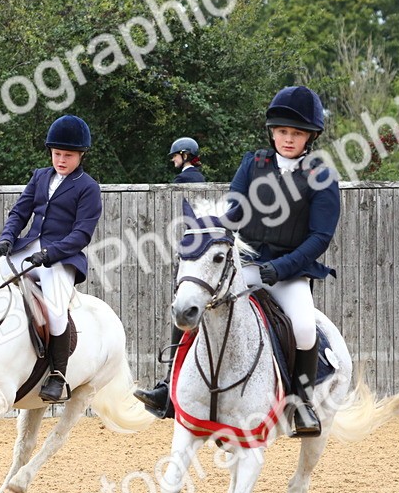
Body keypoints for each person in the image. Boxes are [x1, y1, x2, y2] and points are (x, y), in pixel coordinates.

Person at [138, 85, 340, 437]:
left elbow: (319, 237)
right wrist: (209, 234)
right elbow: (233, 212)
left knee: (305, 327)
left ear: (310, 136)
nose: (288, 139)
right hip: (245, 262)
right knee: (193, 297)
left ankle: (302, 404)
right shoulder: (254, 163)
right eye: (282, 132)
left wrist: (280, 269)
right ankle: (168, 386)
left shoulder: (321, 177)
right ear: (273, 132)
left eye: (296, 133)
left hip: (289, 273)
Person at [0, 115, 102, 403]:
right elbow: (19, 212)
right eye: (57, 154)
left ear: (80, 155)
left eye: (67, 155)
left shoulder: (88, 187)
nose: (61, 160)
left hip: (60, 258)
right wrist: (7, 238)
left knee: (55, 312)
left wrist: (51, 253)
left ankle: (58, 375)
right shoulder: (40, 176)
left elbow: (81, 234)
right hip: (27, 249)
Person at [133, 136, 208, 417]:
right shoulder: (202, 182)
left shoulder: (182, 186)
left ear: (185, 155)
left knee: (184, 323)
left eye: (175, 156)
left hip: (193, 259)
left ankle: (169, 385)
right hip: (197, 259)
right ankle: (170, 387)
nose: (173, 161)